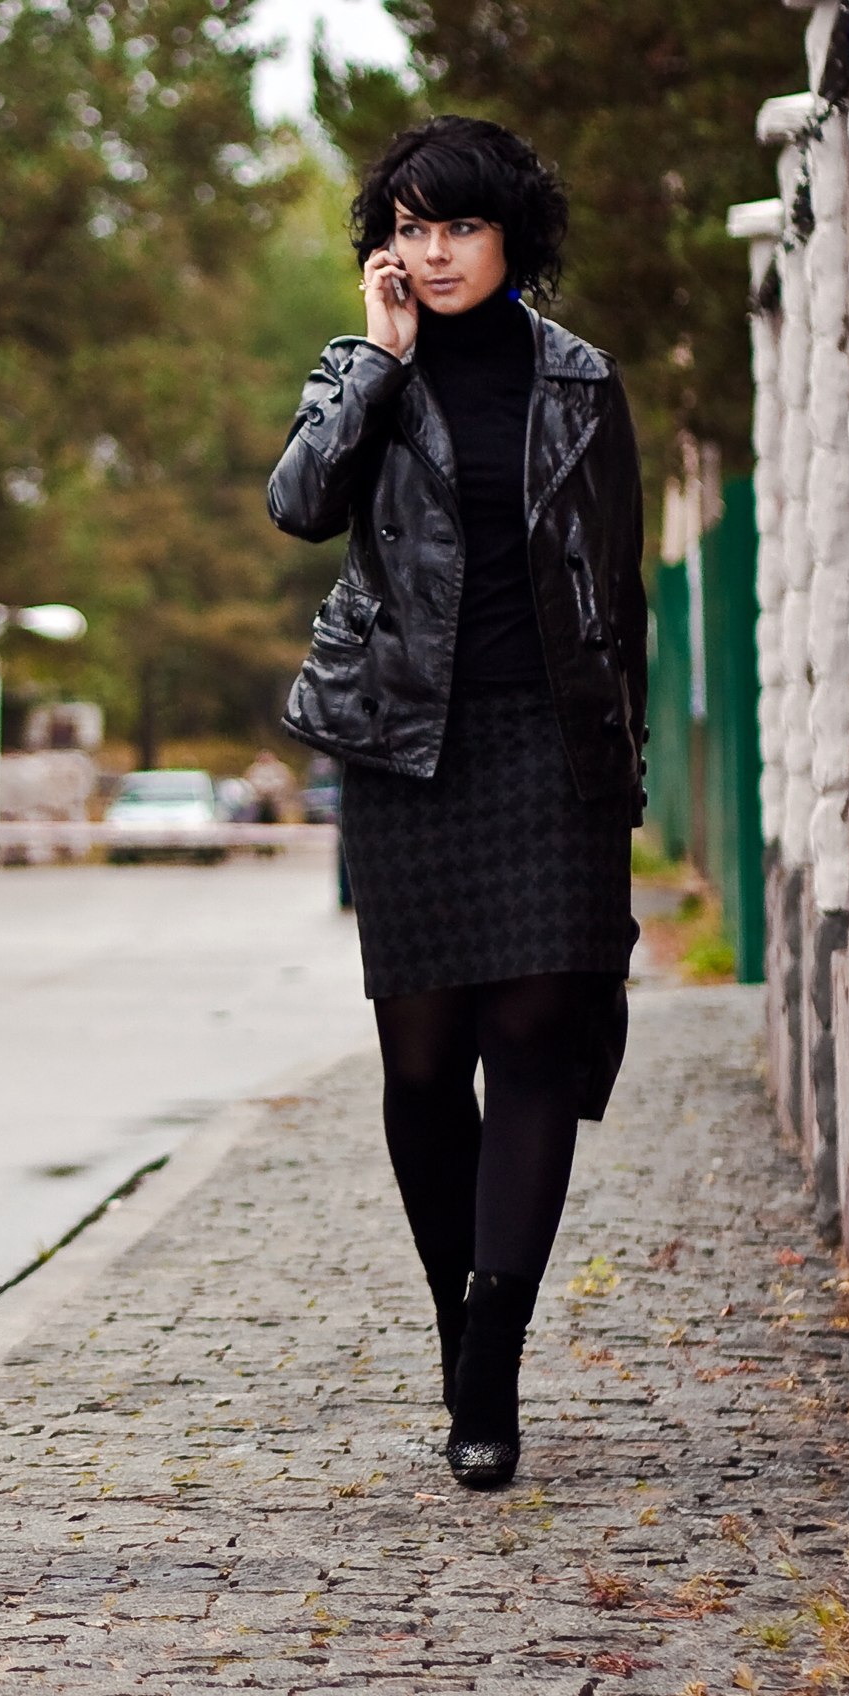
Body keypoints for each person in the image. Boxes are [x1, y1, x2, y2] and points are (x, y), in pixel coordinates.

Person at [267, 116, 647, 1489]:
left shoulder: (581, 381)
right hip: (402, 742)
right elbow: (300, 505)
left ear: (511, 237)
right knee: (424, 1062)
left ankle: (491, 1360)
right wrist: (378, 360)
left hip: (546, 738)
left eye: (460, 227)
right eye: (410, 229)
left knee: (535, 1032)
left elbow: (621, 588)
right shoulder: (362, 371)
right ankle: (455, 1315)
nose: (434, 254)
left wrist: (620, 774)